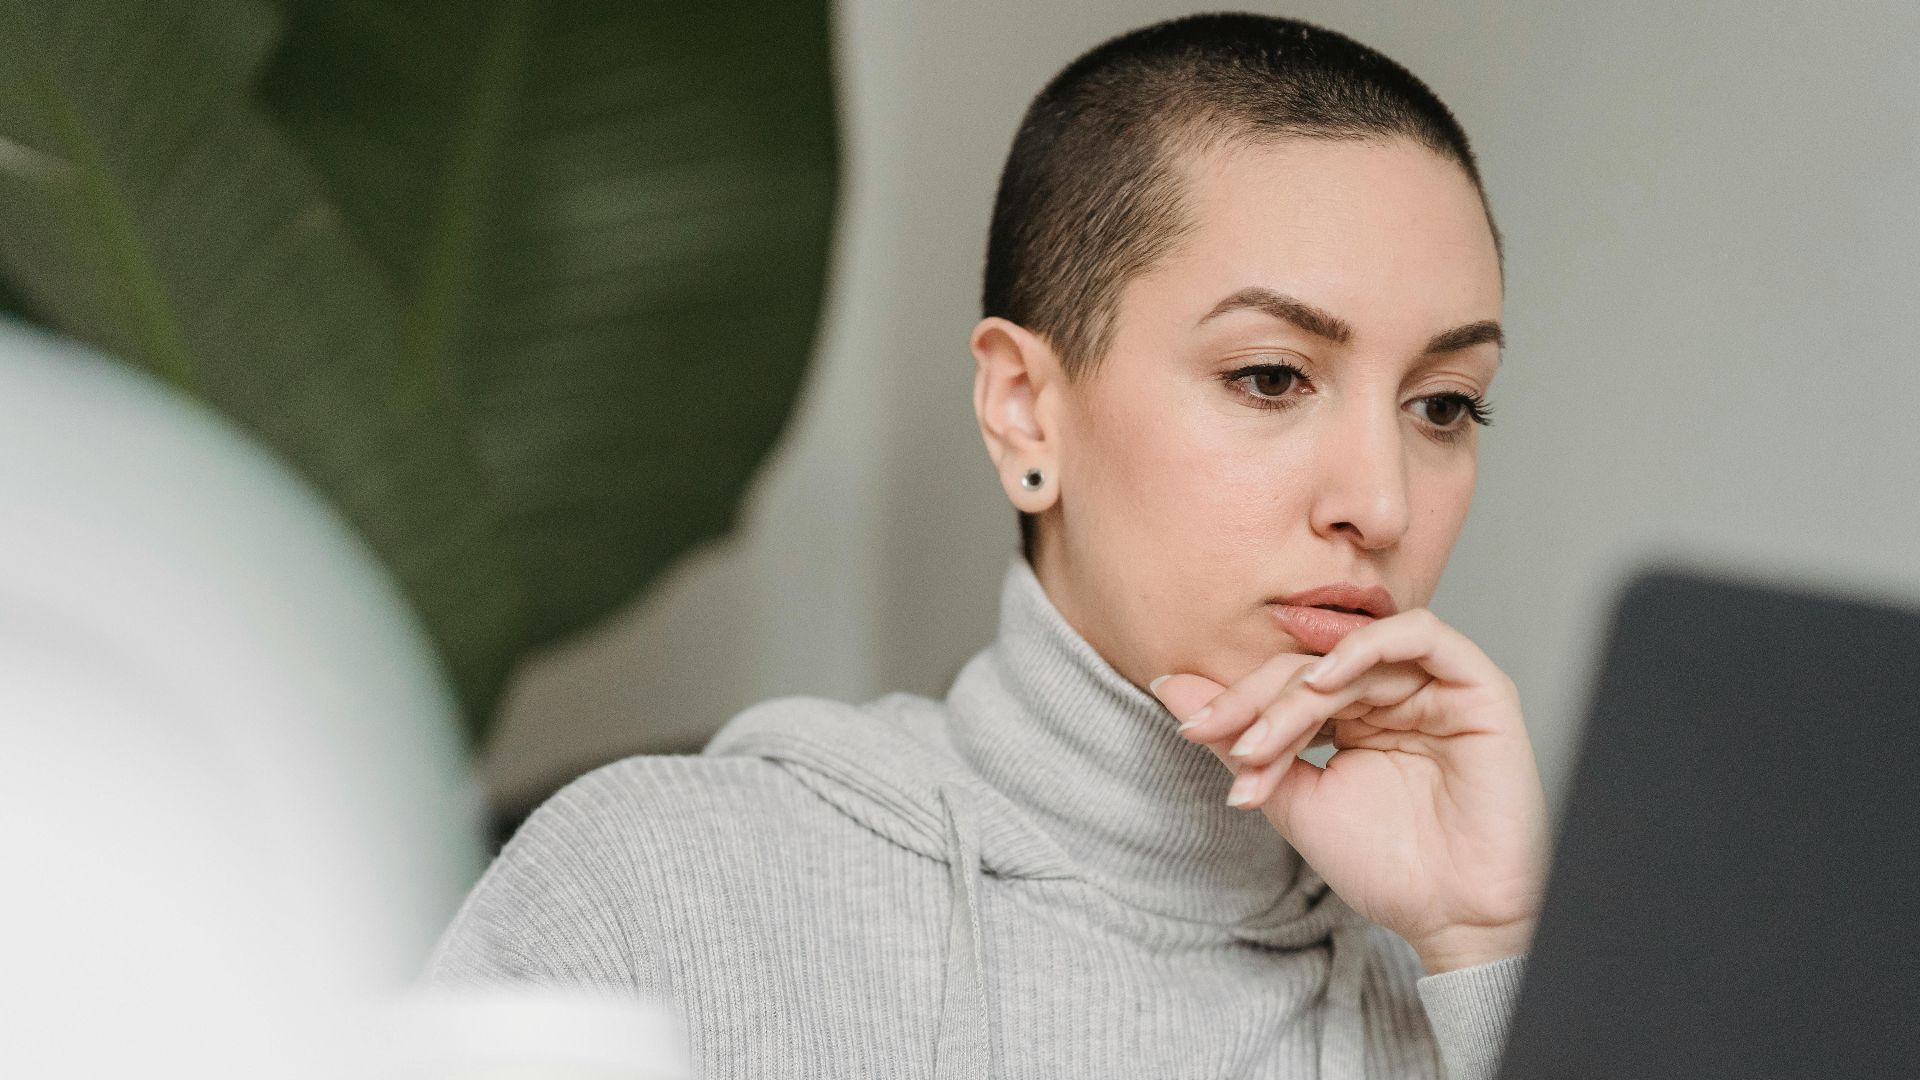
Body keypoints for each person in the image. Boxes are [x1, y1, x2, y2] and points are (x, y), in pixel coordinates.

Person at [426, 12, 1550, 1080]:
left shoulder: (1465, 980)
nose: (1381, 503)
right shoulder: (656, 890)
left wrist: (1490, 949)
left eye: (1445, 404)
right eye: (1270, 376)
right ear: (1025, 410)